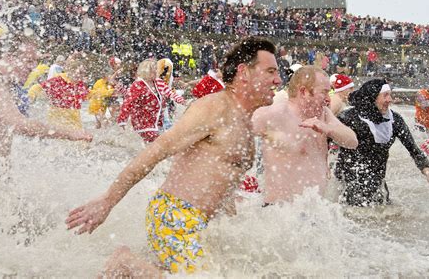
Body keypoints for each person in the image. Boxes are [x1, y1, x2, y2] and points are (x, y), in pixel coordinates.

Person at [65, 37, 282, 276]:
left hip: (195, 223)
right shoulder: (215, 108)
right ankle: (124, 263)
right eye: (270, 71)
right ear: (244, 72)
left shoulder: (244, 122)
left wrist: (229, 228)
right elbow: (156, 151)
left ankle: (130, 271)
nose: (278, 80)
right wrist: (107, 201)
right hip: (175, 215)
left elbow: (225, 183)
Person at [252, 66, 358, 204]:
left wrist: (328, 129)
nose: (328, 99)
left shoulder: (323, 114)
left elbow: (353, 141)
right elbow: (230, 130)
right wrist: (271, 135)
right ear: (304, 91)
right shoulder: (277, 113)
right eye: (324, 92)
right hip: (280, 211)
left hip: (314, 209)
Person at [335, 79, 429, 207]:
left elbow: (413, 149)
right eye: (385, 95)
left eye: (390, 95)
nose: (390, 99)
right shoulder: (348, 118)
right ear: (372, 97)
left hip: (378, 184)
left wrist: (428, 172)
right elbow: (327, 144)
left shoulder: (394, 121)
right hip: (348, 184)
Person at [0, 36, 92, 167]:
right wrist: (70, 133)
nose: (33, 68)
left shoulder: (4, 85)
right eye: (29, 61)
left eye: (35, 62)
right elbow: (20, 125)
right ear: (8, 57)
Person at [117, 59, 185, 142]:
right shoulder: (138, 85)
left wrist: (181, 100)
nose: (156, 72)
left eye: (156, 69)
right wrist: (122, 119)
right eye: (153, 70)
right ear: (146, 71)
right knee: (157, 142)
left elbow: (169, 92)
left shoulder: (158, 82)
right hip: (143, 121)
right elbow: (128, 102)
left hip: (157, 120)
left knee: (159, 142)